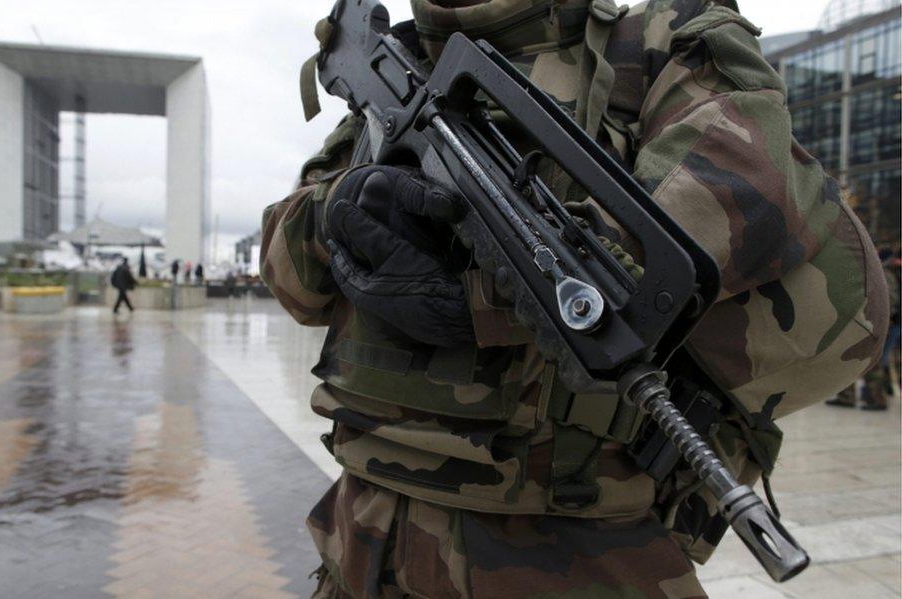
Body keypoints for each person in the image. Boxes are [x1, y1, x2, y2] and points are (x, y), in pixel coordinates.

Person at [262, 1, 889, 596]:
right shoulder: (393, 62)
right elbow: (292, 284)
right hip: (362, 532)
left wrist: (481, 293)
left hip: (571, 548)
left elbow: (738, 190)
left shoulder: (662, 42)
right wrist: (331, 218)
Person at [828, 248, 900, 410]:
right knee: (848, 360)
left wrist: (882, 321)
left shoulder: (880, 273)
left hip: (870, 323)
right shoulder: (865, 271)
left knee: (869, 361)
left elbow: (888, 300)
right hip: (859, 323)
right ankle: (848, 396)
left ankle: (876, 398)